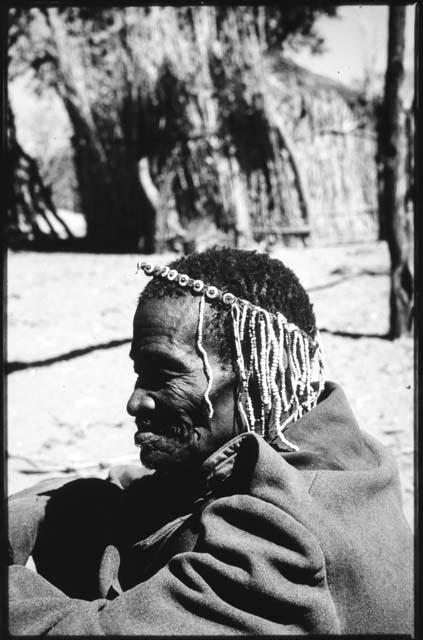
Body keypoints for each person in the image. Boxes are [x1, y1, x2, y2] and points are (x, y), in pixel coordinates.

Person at [8, 247, 413, 635]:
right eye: (139, 372)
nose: (135, 402)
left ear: (254, 380)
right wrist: (49, 506)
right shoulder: (336, 444)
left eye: (164, 374)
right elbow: (178, 486)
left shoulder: (281, 540)